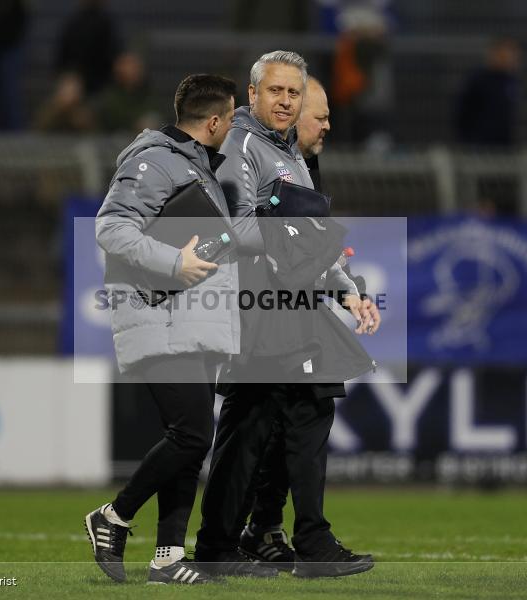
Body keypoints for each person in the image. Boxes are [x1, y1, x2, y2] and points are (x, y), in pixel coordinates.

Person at [195, 51, 377, 579]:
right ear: (252, 95)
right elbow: (233, 223)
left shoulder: (290, 155)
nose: (284, 101)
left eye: (293, 94)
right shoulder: (240, 143)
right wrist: (290, 229)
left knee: (284, 411)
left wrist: (346, 291)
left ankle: (260, 536)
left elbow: (309, 240)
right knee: (256, 418)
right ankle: (243, 539)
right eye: (275, 91)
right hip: (254, 297)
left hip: (288, 297)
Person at [86, 74, 239, 586]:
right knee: (193, 432)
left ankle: (168, 558)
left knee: (191, 439)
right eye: (231, 118)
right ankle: (112, 517)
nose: (232, 127)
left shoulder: (199, 167)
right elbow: (111, 226)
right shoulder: (155, 159)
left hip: (188, 319)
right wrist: (175, 263)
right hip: (160, 315)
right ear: (214, 121)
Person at [454, 37, 521, 147]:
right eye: (504, 55)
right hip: (479, 144)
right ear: (493, 54)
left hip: (504, 144)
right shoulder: (477, 79)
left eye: (512, 54)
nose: (510, 58)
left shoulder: (511, 80)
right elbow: (461, 112)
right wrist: (467, 140)